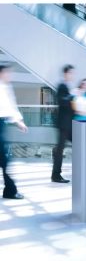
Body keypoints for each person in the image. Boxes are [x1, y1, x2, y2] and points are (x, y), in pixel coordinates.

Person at [0, 65, 28, 199]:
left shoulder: (7, 86)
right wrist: (18, 122)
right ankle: (10, 190)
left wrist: (18, 121)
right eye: (7, 73)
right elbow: (6, 107)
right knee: (5, 159)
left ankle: (10, 190)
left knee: (5, 159)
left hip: (2, 123)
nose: (10, 75)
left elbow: (11, 106)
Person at [51, 65, 75, 183]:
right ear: (66, 73)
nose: (72, 75)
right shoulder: (62, 86)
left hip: (69, 124)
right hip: (63, 124)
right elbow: (62, 101)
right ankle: (56, 175)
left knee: (79, 145)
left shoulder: (67, 86)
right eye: (71, 73)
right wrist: (73, 96)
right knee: (60, 150)